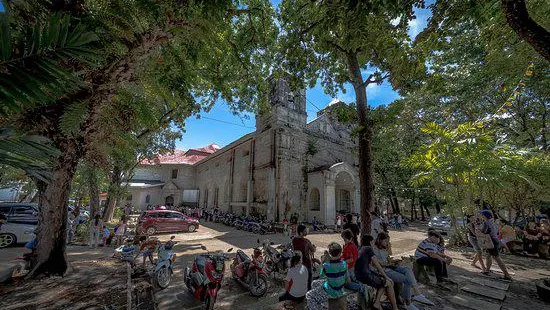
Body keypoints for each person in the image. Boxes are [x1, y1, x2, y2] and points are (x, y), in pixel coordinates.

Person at [373, 233, 433, 309]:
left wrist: (393, 260)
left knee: (408, 269)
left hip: (390, 266)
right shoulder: (375, 249)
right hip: (384, 270)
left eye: (388, 241)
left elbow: (388, 258)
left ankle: (417, 294)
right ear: (380, 240)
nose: (387, 243)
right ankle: (408, 302)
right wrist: (388, 264)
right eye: (386, 241)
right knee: (407, 279)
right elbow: (376, 263)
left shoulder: (385, 247)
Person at [355, 234, 399, 310]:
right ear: (370, 242)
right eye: (372, 242)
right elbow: (377, 265)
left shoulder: (360, 248)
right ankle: (393, 307)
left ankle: (377, 302)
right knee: (389, 283)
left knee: (383, 282)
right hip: (365, 276)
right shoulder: (368, 249)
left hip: (358, 275)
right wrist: (386, 276)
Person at [306, 242, 349, 310]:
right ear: (340, 252)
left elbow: (320, 276)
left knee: (309, 295)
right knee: (314, 283)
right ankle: (322, 302)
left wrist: (322, 261)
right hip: (340, 288)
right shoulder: (344, 264)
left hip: (331, 290)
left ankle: (316, 306)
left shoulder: (326, 265)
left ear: (330, 253)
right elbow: (348, 279)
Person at [479, 210, 511, 280]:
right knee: (488, 256)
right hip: (495, 240)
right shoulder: (494, 222)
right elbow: (497, 232)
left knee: (497, 258)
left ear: (485, 216)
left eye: (482, 215)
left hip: (491, 241)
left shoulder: (486, 222)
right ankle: (487, 270)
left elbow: (483, 232)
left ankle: (507, 274)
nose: (481, 216)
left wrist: (478, 228)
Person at [292, 224, 316, 290]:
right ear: (301, 232)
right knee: (309, 280)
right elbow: (313, 250)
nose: (306, 232)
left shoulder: (294, 240)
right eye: (305, 231)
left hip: (297, 264)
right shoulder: (307, 241)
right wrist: (313, 247)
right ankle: (308, 292)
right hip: (306, 264)